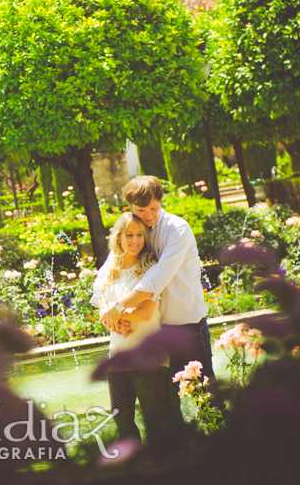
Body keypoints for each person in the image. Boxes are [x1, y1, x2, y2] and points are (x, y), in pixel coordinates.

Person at [97, 175, 215, 422]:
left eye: (154, 208)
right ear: (131, 207)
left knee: (207, 399)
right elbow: (102, 279)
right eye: (142, 210)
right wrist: (108, 312)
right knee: (168, 410)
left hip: (187, 327)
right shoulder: (134, 230)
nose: (149, 215)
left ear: (161, 202)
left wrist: (118, 308)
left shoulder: (177, 229)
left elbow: (155, 281)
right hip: (155, 335)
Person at [91, 212, 169, 445]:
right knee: (121, 415)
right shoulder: (110, 267)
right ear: (118, 237)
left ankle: (166, 466)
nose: (135, 240)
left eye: (140, 235)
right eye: (129, 235)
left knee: (154, 417)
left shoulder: (151, 268)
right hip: (118, 354)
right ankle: (137, 466)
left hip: (149, 356)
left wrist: (118, 315)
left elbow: (146, 312)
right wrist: (110, 315)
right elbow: (99, 297)